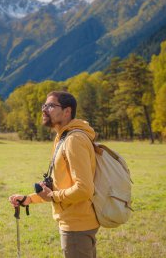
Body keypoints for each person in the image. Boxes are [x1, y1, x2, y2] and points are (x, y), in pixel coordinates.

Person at [9, 91, 99, 258]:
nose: (44, 109)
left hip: (76, 226)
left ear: (67, 111)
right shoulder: (63, 137)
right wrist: (29, 198)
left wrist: (53, 196)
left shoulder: (74, 140)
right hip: (76, 223)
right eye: (44, 105)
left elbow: (84, 189)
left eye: (51, 106)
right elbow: (61, 186)